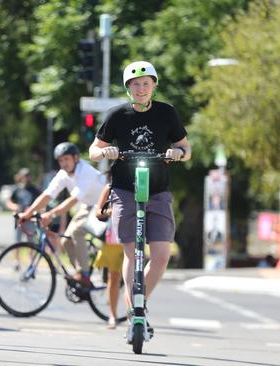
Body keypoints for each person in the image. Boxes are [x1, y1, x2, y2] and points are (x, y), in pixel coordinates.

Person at [88, 60, 191, 338]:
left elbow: (185, 147)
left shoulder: (167, 113)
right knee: (132, 251)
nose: (141, 88)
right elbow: (93, 150)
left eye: (146, 83)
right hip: (124, 190)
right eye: (135, 84)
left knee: (160, 255)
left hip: (158, 190)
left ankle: (138, 303)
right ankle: (136, 309)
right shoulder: (117, 115)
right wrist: (106, 152)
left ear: (154, 85)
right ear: (128, 88)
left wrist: (178, 154)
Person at [19, 142, 106, 287]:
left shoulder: (86, 172)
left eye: (66, 159)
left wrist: (50, 215)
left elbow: (72, 201)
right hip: (88, 205)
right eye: (60, 160)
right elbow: (47, 195)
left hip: (104, 206)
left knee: (77, 232)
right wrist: (27, 214)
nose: (63, 163)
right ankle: (81, 274)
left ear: (76, 158)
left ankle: (84, 275)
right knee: (66, 240)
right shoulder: (63, 174)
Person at [93, 183, 124, 329]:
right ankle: (113, 315)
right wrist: (112, 210)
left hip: (132, 238)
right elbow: (98, 212)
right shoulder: (109, 187)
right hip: (112, 240)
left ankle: (134, 316)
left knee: (134, 279)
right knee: (114, 278)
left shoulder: (140, 183)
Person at [5, 168, 40, 243]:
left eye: (28, 175)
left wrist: (33, 209)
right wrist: (16, 207)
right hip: (19, 218)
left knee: (31, 241)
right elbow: (8, 202)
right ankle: (16, 255)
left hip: (30, 218)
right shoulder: (16, 189)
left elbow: (40, 202)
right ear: (20, 176)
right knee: (17, 241)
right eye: (24, 175)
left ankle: (31, 255)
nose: (26, 177)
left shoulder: (34, 189)